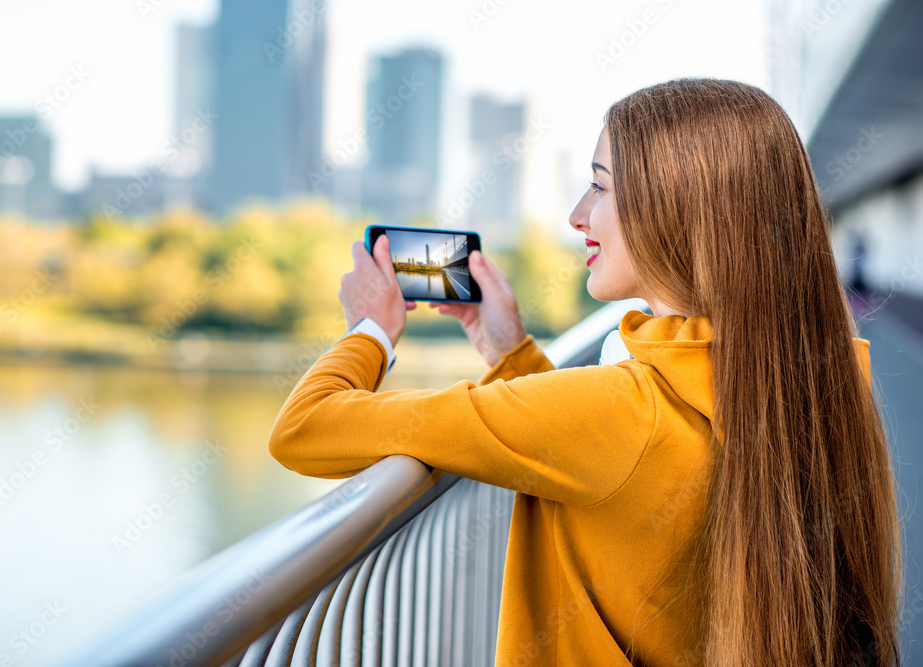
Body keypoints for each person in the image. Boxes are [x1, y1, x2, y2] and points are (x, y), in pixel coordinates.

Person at [268, 78, 901, 666]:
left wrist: (371, 328)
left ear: (673, 207)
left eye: (599, 185)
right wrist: (509, 351)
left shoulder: (622, 411)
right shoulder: (814, 382)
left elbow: (304, 426)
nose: (577, 214)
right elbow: (609, 446)